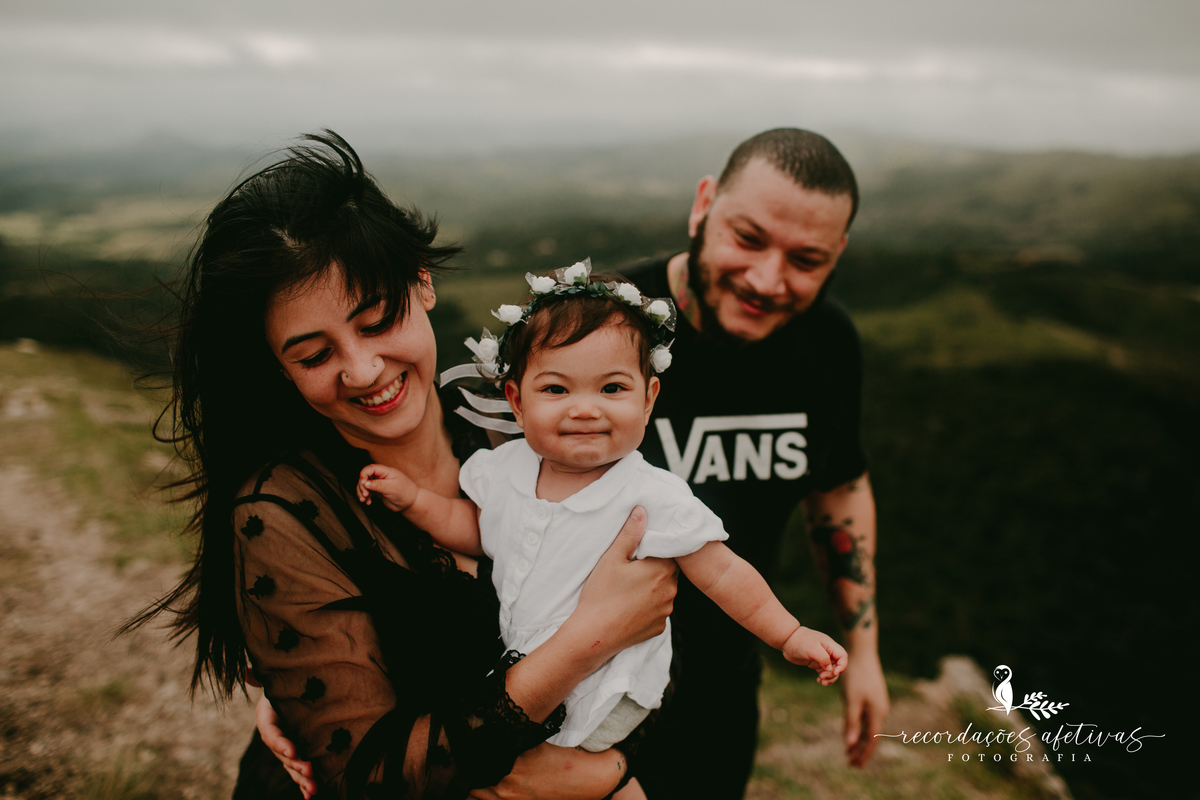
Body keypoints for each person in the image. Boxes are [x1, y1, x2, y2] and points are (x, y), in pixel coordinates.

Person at [131, 131, 679, 800]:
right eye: (313, 356)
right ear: (278, 367)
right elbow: (370, 778)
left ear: (421, 280)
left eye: (375, 319)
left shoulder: (517, 430)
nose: (362, 371)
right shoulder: (281, 511)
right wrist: (583, 656)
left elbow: (645, 626)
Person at [355, 265, 847, 757]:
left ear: (649, 398)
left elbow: (723, 573)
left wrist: (790, 634)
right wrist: (416, 501)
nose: (585, 409)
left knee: (545, 766)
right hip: (523, 676)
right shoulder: (505, 470)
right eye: (556, 390)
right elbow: (480, 531)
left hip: (609, 684)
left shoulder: (651, 494)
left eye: (612, 389)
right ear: (517, 402)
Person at [619, 128, 890, 799]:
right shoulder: (605, 325)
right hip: (588, 699)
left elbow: (839, 487)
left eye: (806, 259)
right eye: (747, 239)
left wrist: (865, 656)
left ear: (838, 255)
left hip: (725, 691)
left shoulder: (827, 343)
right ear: (703, 205)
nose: (768, 281)